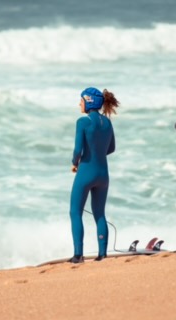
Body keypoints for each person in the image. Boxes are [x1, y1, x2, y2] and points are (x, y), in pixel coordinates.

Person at [68, 87, 119, 263]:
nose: (79, 104)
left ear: (88, 101)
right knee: (100, 214)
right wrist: (98, 153)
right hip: (103, 174)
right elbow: (111, 148)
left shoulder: (82, 122)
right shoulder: (107, 122)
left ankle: (78, 255)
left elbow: (77, 150)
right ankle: (102, 254)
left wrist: (75, 163)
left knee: (75, 212)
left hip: (86, 172)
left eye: (81, 100)